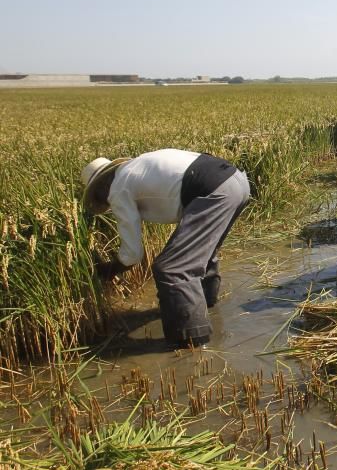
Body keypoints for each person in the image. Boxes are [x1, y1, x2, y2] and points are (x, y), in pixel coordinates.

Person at [81, 149, 250, 348]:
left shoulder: (118, 187)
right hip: (237, 181)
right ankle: (207, 304)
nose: (103, 200)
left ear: (101, 186)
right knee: (200, 252)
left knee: (172, 267)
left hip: (215, 190)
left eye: (98, 195)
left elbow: (133, 254)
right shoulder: (138, 166)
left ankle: (192, 341)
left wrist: (110, 269)